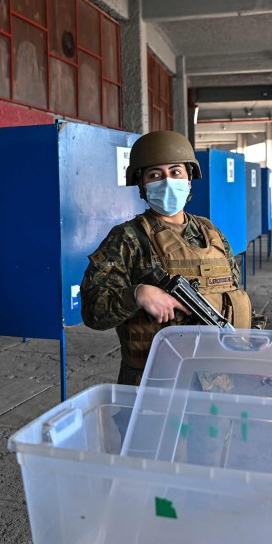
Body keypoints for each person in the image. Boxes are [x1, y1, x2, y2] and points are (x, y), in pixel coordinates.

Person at [80, 130, 254, 386]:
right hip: (157, 380)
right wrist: (138, 294)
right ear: (143, 186)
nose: (167, 181)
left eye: (175, 172)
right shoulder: (128, 238)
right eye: (155, 175)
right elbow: (93, 312)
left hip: (219, 378)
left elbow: (234, 296)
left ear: (189, 179)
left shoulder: (211, 232)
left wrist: (259, 348)